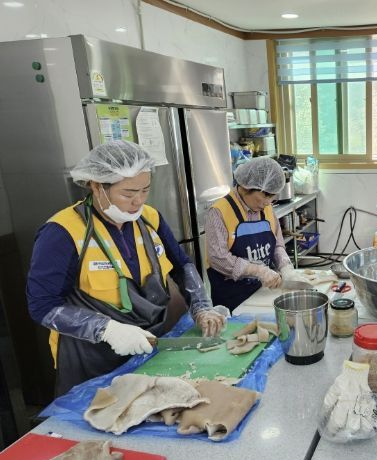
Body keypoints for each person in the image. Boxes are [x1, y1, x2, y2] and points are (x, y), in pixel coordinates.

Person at [26, 141, 228, 396]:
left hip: (151, 344)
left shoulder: (150, 218)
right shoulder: (62, 232)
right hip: (92, 359)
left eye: (145, 190)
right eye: (128, 193)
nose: (138, 201)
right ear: (97, 186)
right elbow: (42, 306)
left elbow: (182, 265)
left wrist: (201, 307)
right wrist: (107, 330)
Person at [206, 157, 306, 311]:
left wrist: (286, 267)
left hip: (262, 292)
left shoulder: (267, 208)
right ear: (247, 187)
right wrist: (257, 270)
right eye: (266, 196)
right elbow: (218, 258)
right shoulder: (219, 212)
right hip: (232, 298)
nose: (268, 202)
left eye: (272, 197)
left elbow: (277, 244)